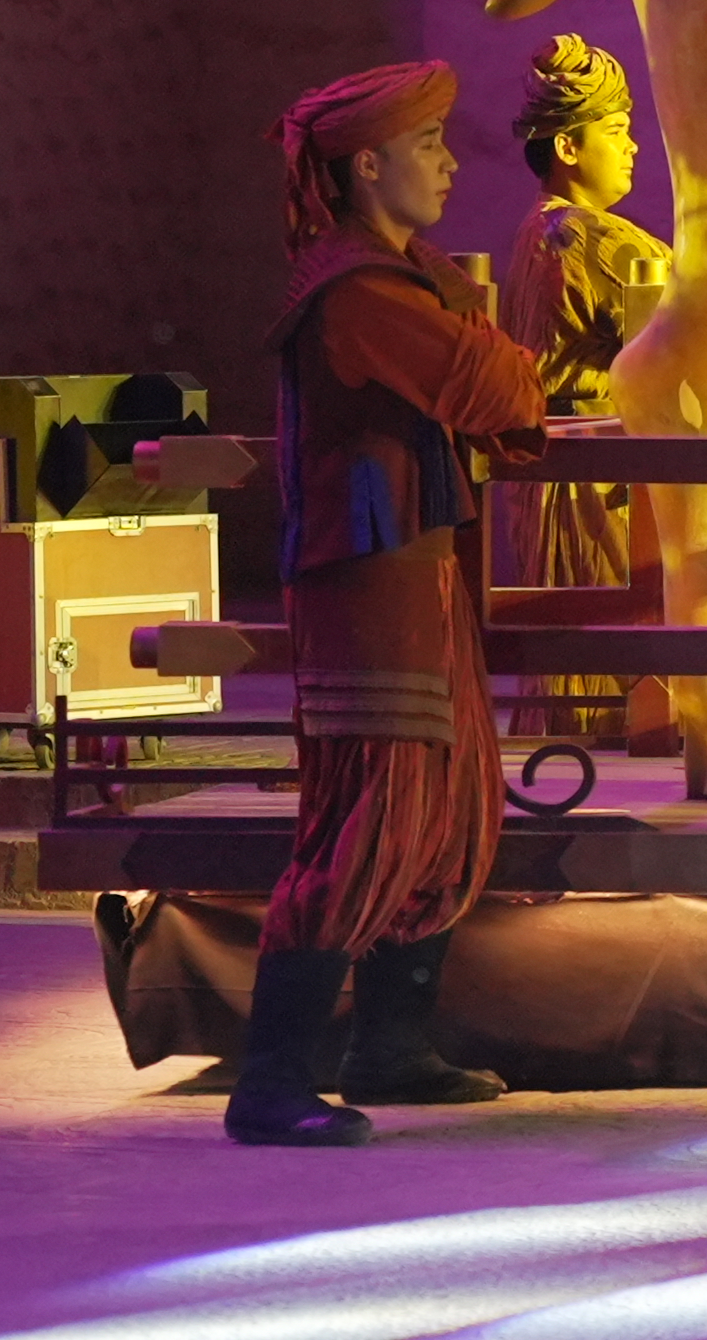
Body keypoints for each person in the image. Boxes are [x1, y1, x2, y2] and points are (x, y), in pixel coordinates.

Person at [233, 60, 548, 1147]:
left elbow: (493, 375)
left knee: (451, 807)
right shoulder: (359, 294)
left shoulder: (396, 280)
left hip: (419, 573)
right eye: (430, 145)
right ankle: (270, 1082)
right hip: (370, 589)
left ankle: (391, 1045)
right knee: (370, 819)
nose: (453, 162)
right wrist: (494, 353)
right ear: (368, 165)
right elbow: (504, 387)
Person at [490, 35, 658, 738]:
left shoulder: (536, 232)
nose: (633, 148)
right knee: (611, 634)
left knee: (570, 639)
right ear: (567, 148)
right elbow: (698, 334)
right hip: (596, 468)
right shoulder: (592, 237)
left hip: (550, 459)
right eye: (615, 132)